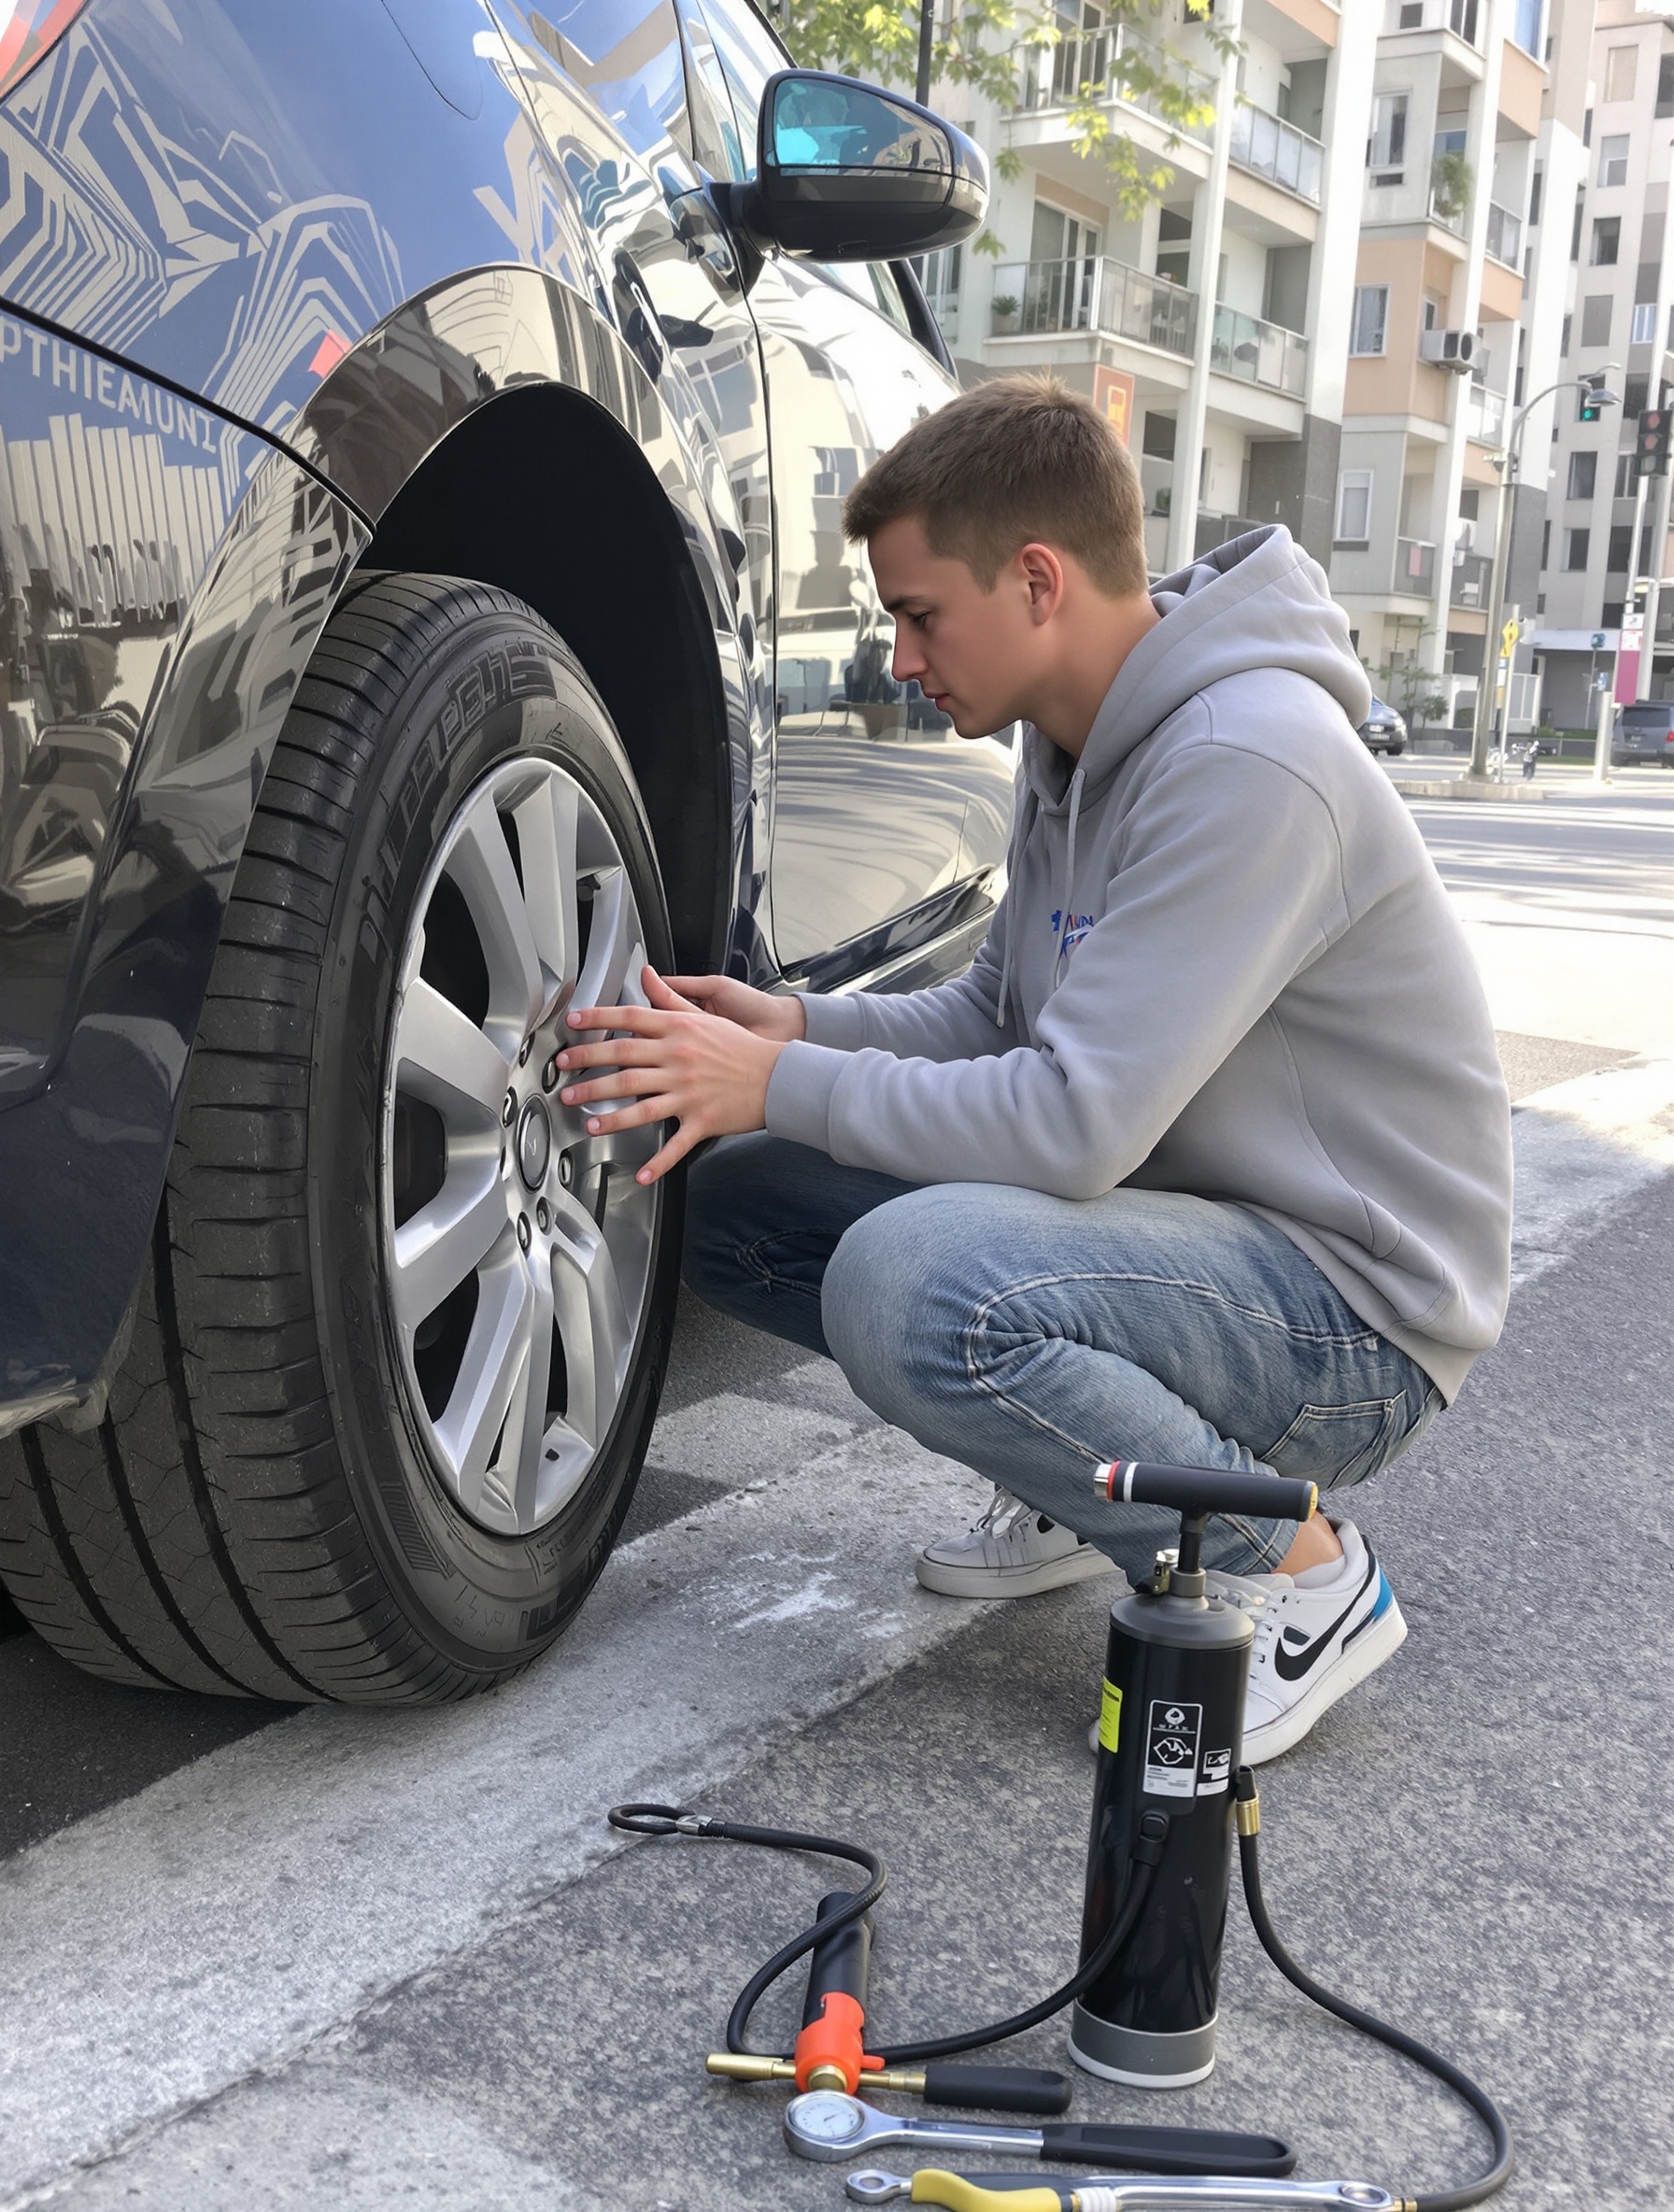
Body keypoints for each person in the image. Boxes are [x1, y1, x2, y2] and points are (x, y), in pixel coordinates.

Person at [552, 376, 1512, 1765]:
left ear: (1040, 581)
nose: (898, 655)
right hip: (1192, 1240)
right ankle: (1086, 1482)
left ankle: (1301, 1570)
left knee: (909, 1284)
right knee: (738, 1193)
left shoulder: (1250, 762)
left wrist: (775, 1081)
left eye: (919, 612)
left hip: (1354, 1314)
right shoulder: (1074, 754)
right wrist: (788, 1035)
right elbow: (999, 1020)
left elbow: (1068, 1125)